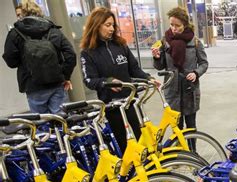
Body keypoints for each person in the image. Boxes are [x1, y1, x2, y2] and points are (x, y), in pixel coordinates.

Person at [80, 7, 160, 153]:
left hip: (131, 101)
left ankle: (151, 173)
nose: (111, 29)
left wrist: (148, 78)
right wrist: (106, 82)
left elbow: (134, 69)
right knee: (125, 147)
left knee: (145, 141)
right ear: (96, 25)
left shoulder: (121, 45)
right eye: (107, 25)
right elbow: (89, 80)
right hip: (112, 107)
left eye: (113, 25)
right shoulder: (87, 52)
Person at [3, 0, 76, 114]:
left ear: (22, 14)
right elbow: (71, 54)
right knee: (62, 120)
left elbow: (11, 61)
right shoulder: (54, 30)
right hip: (56, 82)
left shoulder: (15, 33)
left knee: (42, 122)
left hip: (33, 86)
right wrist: (64, 75)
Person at [151, 7, 208, 149]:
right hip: (172, 89)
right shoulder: (165, 41)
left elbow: (204, 63)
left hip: (190, 89)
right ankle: (180, 153)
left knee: (191, 124)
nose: (174, 28)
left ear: (185, 24)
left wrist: (196, 73)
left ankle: (193, 153)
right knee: (176, 125)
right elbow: (160, 66)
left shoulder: (194, 42)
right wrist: (157, 58)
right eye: (171, 25)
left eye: (178, 25)